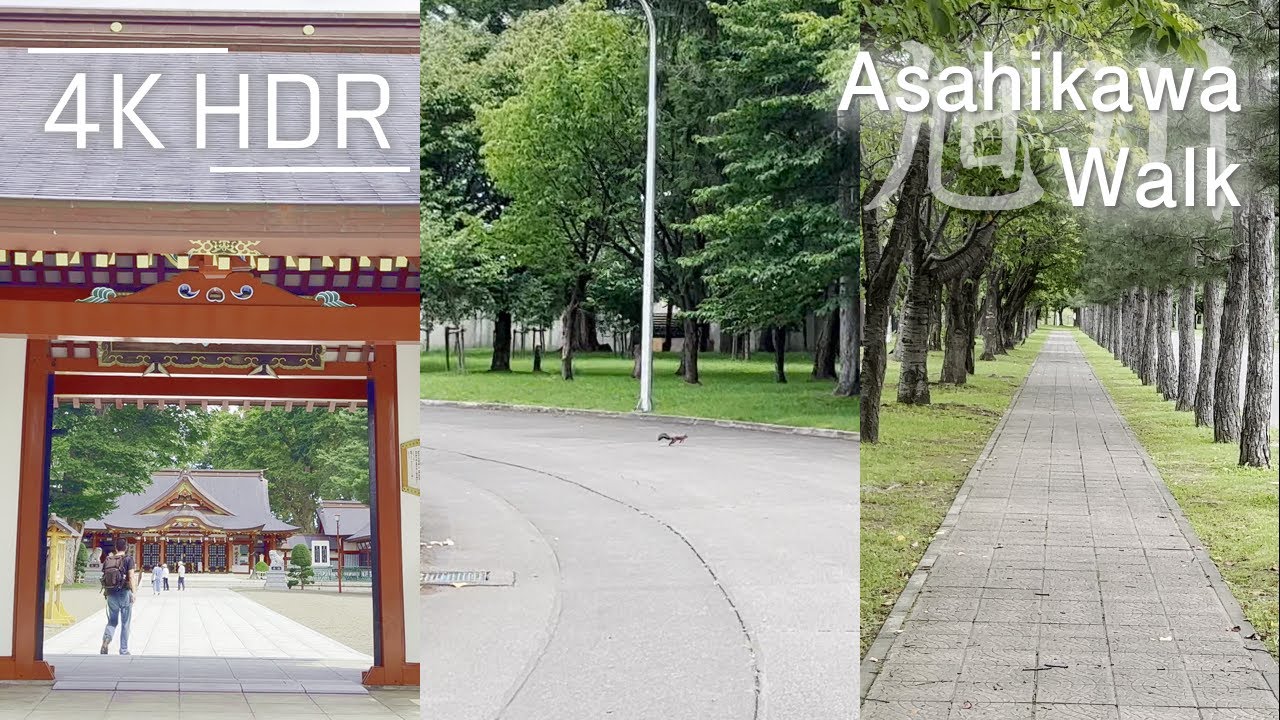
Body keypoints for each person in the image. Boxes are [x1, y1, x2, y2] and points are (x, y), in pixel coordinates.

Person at [99, 544, 135, 655]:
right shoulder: (128, 559)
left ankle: (106, 640)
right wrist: (133, 592)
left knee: (112, 620)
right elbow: (131, 576)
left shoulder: (108, 559)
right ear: (126, 548)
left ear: (116, 548)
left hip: (110, 593)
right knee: (125, 622)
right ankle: (123, 649)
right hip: (124, 592)